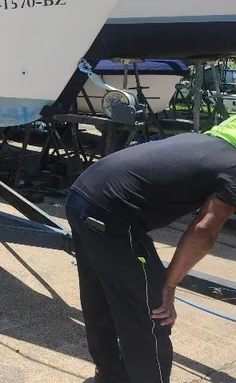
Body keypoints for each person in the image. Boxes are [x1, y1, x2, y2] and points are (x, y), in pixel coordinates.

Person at [66, 115, 236, 383]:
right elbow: (204, 231)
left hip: (82, 194)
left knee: (98, 296)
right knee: (152, 311)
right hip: (111, 214)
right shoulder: (233, 167)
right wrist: (168, 286)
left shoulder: (205, 143)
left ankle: (110, 376)